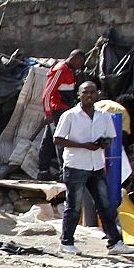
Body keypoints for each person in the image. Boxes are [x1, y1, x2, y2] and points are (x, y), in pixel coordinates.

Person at [54, 80, 134, 256]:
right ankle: (66, 242)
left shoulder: (104, 116)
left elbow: (110, 137)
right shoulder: (70, 115)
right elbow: (58, 139)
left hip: (96, 166)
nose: (89, 95)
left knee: (106, 205)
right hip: (76, 165)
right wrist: (83, 145)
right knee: (73, 206)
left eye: (92, 92)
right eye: (85, 92)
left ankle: (115, 243)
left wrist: (103, 143)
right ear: (79, 95)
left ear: (97, 94)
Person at [39, 50, 84, 178]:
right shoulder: (60, 70)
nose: (80, 65)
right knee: (61, 141)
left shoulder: (70, 71)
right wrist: (48, 113)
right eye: (80, 62)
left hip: (64, 109)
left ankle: (43, 171)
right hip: (57, 111)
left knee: (48, 141)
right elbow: (47, 93)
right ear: (74, 58)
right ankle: (63, 172)